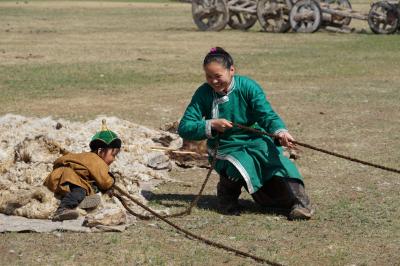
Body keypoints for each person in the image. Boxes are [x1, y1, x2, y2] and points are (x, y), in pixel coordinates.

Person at [178, 47, 313, 220]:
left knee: (278, 161)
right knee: (240, 163)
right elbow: (185, 127)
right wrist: (211, 124)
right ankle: (227, 198)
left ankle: (301, 203)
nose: (214, 81)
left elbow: (266, 114)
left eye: (218, 76)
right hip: (225, 145)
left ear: (231, 70)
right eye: (209, 76)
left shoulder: (248, 87)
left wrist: (281, 132)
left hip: (256, 139)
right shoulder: (203, 93)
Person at [44, 120, 121, 221]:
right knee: (80, 191)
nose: (114, 159)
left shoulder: (88, 157)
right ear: (101, 151)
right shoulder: (96, 160)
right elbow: (105, 182)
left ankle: (78, 204)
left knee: (86, 191)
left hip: (66, 179)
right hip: (67, 177)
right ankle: (63, 209)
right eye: (113, 155)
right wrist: (111, 179)